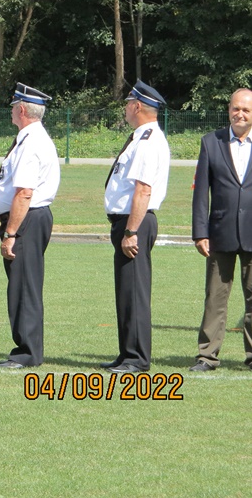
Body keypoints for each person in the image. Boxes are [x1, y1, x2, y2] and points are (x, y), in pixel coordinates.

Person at [101, 80, 170, 373]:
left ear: (138, 106)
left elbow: (143, 189)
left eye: (129, 104)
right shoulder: (141, 137)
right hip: (129, 221)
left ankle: (136, 358)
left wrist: (130, 231)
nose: (126, 109)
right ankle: (126, 353)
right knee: (126, 292)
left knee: (134, 292)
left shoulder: (148, 141)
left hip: (135, 223)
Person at [0, 83, 61, 369]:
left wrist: (11, 233)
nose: (11, 111)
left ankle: (27, 352)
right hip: (28, 218)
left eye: (13, 106)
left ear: (21, 109)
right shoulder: (30, 139)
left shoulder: (31, 142)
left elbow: (24, 192)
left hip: (26, 220)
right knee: (22, 285)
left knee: (24, 287)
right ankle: (27, 349)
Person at [189, 88, 252, 372]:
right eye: (236, 108)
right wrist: (200, 232)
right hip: (219, 233)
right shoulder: (210, 142)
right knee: (215, 297)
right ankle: (207, 356)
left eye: (246, 110)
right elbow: (201, 192)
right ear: (228, 109)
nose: (240, 114)